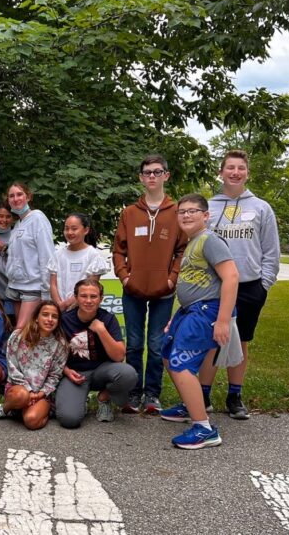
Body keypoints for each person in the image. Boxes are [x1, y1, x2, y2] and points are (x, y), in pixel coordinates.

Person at [158, 194, 242, 449]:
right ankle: (192, 403)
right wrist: (177, 315)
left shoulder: (209, 240)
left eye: (193, 211)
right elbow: (193, 283)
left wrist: (223, 320)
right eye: (182, 211)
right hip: (190, 310)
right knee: (167, 353)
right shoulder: (193, 242)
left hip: (207, 311)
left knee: (179, 363)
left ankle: (204, 429)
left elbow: (231, 276)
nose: (186, 215)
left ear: (206, 216)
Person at [202, 150, 280, 419]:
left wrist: (264, 284)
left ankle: (235, 395)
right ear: (221, 172)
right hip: (214, 287)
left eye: (241, 168)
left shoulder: (261, 208)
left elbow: (271, 251)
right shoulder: (208, 208)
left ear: (247, 173)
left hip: (249, 287)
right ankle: (203, 394)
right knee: (211, 339)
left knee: (241, 342)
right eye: (230, 168)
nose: (235, 172)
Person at [113, 154, 188, 416]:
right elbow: (118, 250)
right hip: (132, 290)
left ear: (166, 175)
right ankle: (133, 393)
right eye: (147, 173)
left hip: (163, 291)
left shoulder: (177, 211)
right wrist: (124, 277)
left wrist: (172, 278)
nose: (152, 177)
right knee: (134, 343)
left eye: (157, 172)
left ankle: (152, 394)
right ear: (141, 178)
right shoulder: (129, 213)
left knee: (157, 344)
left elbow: (182, 250)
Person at [55, 276, 137, 428]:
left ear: (101, 299)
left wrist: (101, 330)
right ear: (76, 298)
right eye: (83, 296)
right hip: (75, 373)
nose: (88, 300)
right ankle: (80, 399)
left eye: (93, 296)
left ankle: (103, 398)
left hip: (102, 371)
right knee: (69, 419)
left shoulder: (108, 319)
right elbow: (52, 354)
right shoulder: (64, 320)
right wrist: (66, 371)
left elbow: (119, 356)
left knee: (128, 374)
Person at [0, 300, 68, 430]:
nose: (49, 319)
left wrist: (40, 394)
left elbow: (55, 375)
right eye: (45, 315)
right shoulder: (18, 337)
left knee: (32, 421)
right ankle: (4, 409)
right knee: (22, 395)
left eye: (54, 316)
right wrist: (29, 390)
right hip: (18, 389)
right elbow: (12, 367)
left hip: (41, 394)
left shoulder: (61, 345)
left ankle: (33, 411)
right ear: (36, 318)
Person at [4, 182, 56, 329]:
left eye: (19, 194)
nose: (16, 199)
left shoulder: (38, 218)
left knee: (19, 332)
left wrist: (46, 292)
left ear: (28, 197)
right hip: (15, 286)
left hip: (33, 287)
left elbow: (47, 256)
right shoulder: (18, 224)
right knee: (27, 334)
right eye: (11, 196)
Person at [48, 213, 109, 311]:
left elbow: (91, 285)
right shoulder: (58, 255)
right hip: (58, 309)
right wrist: (59, 304)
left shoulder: (93, 255)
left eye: (74, 228)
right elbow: (53, 284)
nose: (70, 232)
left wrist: (67, 304)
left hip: (83, 310)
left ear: (86, 230)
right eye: (66, 228)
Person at [0, 202, 17, 325]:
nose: (4, 220)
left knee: (8, 331)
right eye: (1, 216)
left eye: (8, 217)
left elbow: (10, 269)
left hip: (10, 298)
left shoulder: (16, 236)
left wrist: (4, 248)